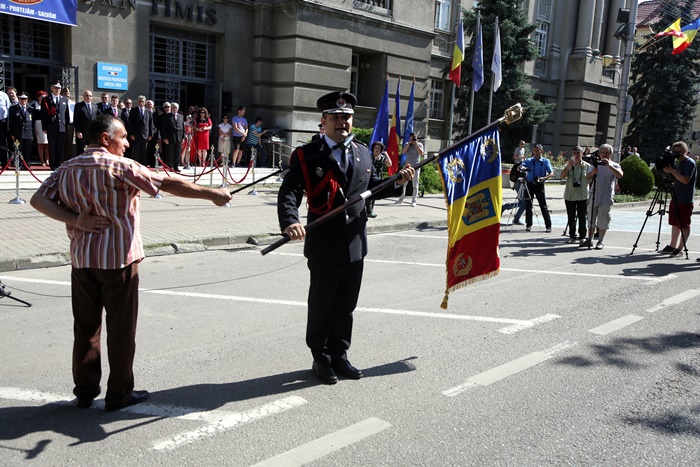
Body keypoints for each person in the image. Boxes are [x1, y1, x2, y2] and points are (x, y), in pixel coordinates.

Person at [30, 114, 231, 411]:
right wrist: (213, 194)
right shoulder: (121, 166)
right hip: (118, 261)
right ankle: (119, 394)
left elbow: (38, 200)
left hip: (82, 260)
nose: (126, 144)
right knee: (121, 330)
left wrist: (76, 220)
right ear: (106, 138)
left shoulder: (67, 168)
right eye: (122, 137)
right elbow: (167, 183)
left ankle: (85, 391)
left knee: (85, 328)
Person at [277, 91, 414, 385]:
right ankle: (320, 357)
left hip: (355, 244)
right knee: (322, 304)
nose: (342, 122)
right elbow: (289, 191)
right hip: (324, 244)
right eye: (336, 117)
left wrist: (398, 181)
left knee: (346, 306)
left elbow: (371, 189)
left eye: (346, 117)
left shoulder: (363, 152)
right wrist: (290, 221)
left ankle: (340, 354)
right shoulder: (307, 154)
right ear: (323, 121)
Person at [581, 144, 624, 249]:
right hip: (594, 195)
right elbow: (587, 177)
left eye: (607, 153)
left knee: (603, 220)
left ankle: (600, 241)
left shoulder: (614, 165)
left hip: (606, 196)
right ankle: (589, 239)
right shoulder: (595, 164)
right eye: (602, 152)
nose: (604, 155)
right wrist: (592, 173)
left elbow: (620, 175)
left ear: (611, 154)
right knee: (591, 219)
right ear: (599, 154)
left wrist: (609, 165)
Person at [660, 141, 697, 256]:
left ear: (685, 151)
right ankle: (672, 245)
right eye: (674, 152)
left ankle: (680, 248)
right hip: (676, 197)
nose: (676, 154)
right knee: (675, 223)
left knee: (684, 224)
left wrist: (672, 171)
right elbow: (679, 178)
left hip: (685, 199)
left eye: (679, 152)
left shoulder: (689, 163)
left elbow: (686, 180)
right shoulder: (679, 163)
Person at [560, 146, 590, 243]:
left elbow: (591, 180)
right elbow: (562, 176)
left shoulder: (587, 166)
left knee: (582, 217)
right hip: (570, 195)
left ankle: (582, 236)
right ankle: (572, 236)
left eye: (578, 153)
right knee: (571, 217)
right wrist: (568, 166)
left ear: (582, 154)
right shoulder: (569, 165)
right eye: (574, 153)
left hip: (582, 196)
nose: (576, 155)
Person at [521, 143, 553, 232]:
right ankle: (528, 225)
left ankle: (548, 226)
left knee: (543, 206)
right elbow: (522, 166)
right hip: (530, 184)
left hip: (539, 185)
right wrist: (521, 167)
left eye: (537, 151)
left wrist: (544, 178)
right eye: (534, 151)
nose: (535, 152)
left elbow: (551, 173)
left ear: (541, 151)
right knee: (528, 205)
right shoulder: (529, 160)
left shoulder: (545, 161)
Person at [40, 81, 71, 170]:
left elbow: (66, 114)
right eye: (56, 88)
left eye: (59, 88)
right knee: (52, 146)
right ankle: (52, 164)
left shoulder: (64, 99)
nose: (58, 90)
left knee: (60, 146)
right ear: (52, 88)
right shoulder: (46, 100)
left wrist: (67, 126)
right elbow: (43, 115)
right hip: (51, 127)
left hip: (62, 127)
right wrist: (44, 127)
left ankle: (58, 163)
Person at [396, 133, 424, 206]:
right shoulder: (407, 144)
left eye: (414, 138)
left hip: (416, 166)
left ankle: (414, 201)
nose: (413, 140)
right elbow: (403, 152)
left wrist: (416, 144)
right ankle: (401, 199)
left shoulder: (419, 144)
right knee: (404, 183)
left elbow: (421, 153)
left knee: (415, 184)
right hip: (407, 166)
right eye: (411, 138)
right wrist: (409, 143)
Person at [365, 141, 392, 218]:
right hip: (369, 177)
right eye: (376, 148)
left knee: (374, 194)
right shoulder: (369, 156)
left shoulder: (382, 158)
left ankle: (370, 210)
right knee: (368, 194)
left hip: (377, 178)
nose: (377, 149)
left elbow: (389, 164)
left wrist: (386, 155)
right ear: (373, 149)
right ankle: (368, 211)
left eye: (378, 148)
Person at [8, 92, 34, 167]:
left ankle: (27, 165)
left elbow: (33, 123)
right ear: (18, 99)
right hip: (18, 133)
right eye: (21, 99)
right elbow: (11, 122)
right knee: (18, 150)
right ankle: (18, 165)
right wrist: (12, 133)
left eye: (25, 99)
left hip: (28, 132)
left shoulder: (31, 109)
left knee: (27, 150)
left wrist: (32, 134)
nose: (23, 101)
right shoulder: (13, 108)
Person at [127, 95, 155, 165]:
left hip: (145, 135)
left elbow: (151, 123)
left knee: (144, 152)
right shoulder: (133, 110)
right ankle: (137, 165)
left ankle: (144, 165)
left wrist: (151, 134)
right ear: (137, 102)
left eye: (142, 101)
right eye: (139, 101)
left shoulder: (148, 111)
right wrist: (131, 134)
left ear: (145, 102)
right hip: (136, 135)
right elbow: (130, 123)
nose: (141, 103)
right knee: (137, 152)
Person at [74, 90, 98, 156]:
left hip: (92, 133)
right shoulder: (78, 106)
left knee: (92, 151)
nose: (88, 97)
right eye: (87, 95)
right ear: (83, 96)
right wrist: (78, 131)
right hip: (82, 133)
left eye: (90, 96)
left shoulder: (95, 106)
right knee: (80, 151)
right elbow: (76, 119)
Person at [33, 90, 49, 167]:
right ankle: (41, 160)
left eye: (44, 97)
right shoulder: (34, 105)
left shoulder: (47, 105)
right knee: (41, 143)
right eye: (41, 97)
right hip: (38, 125)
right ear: (38, 97)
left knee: (47, 144)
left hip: (46, 125)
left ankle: (47, 159)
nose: (43, 98)